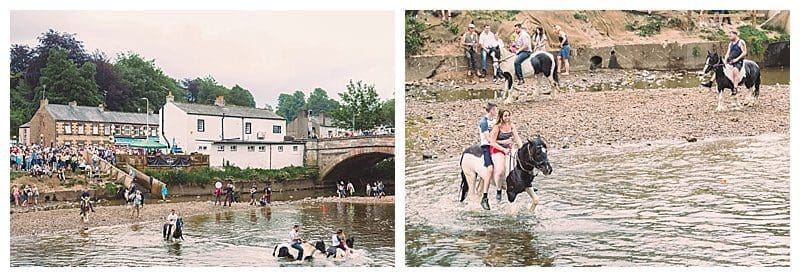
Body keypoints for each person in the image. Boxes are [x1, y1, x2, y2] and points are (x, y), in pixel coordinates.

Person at [483, 109, 523, 210]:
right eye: (505, 116)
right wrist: (503, 149)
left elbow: (517, 138)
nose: (507, 118)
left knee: (521, 165)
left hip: (508, 148)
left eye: (508, 115)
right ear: (501, 117)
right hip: (497, 150)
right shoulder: (497, 127)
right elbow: (492, 142)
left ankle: (525, 184)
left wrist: (522, 148)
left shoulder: (511, 125)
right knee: (500, 171)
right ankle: (499, 190)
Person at [477, 102, 498, 206]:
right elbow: (488, 138)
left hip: (495, 145)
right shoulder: (484, 122)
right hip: (487, 146)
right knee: (490, 168)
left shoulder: (495, 120)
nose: (496, 112)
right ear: (491, 110)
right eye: (495, 110)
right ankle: (485, 196)